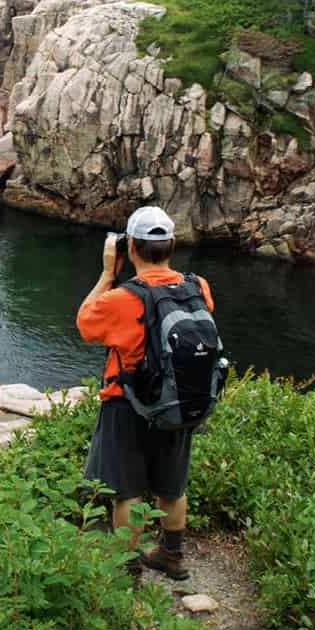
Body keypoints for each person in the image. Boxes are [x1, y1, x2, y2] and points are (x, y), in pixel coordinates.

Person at [75, 206, 214, 581]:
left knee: (127, 490)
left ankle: (128, 569)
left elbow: (86, 324)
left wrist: (108, 272)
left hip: (128, 403)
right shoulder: (197, 286)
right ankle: (172, 555)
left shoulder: (122, 298)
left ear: (130, 247)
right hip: (178, 400)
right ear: (171, 244)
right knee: (171, 486)